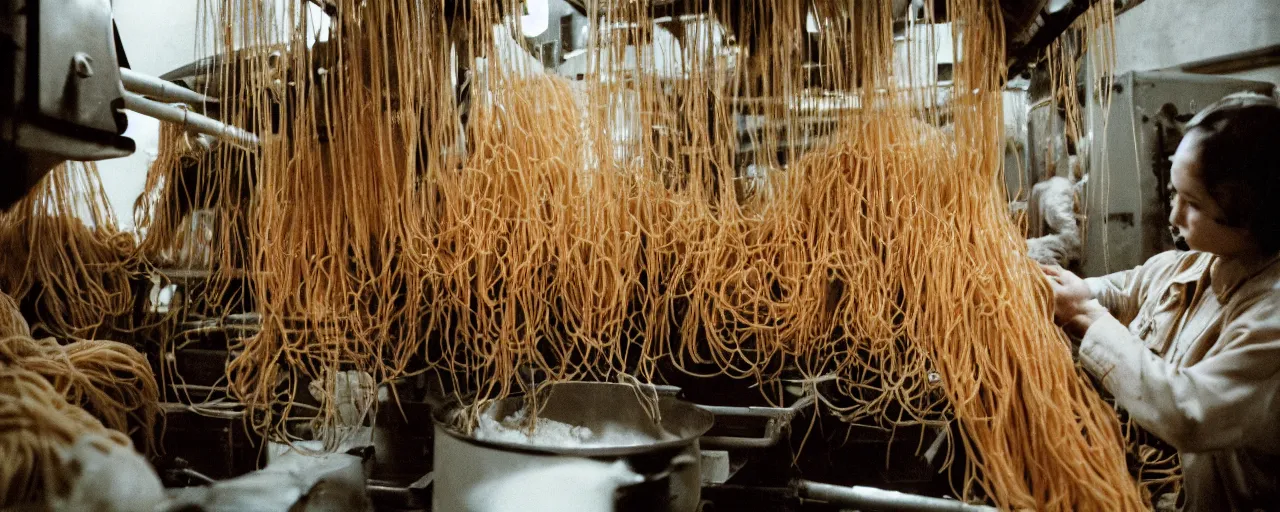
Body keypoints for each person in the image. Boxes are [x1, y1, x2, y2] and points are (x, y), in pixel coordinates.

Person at [1043, 91, 1280, 511]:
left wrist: (1086, 317)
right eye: (1174, 195)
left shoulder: (1270, 318)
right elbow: (1128, 287)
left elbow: (1188, 413)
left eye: (1192, 204)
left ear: (1253, 219)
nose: (1173, 217)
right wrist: (1084, 292)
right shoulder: (1193, 263)